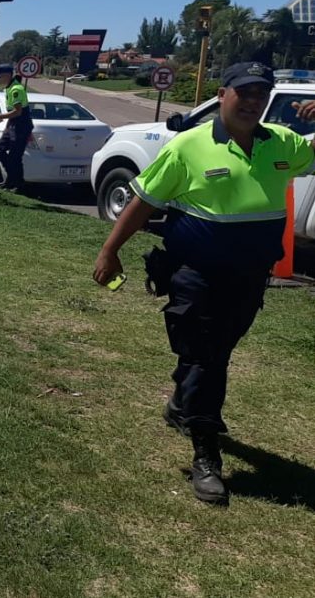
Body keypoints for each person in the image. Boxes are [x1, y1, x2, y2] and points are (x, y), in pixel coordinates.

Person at [93, 61, 315, 505]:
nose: (253, 101)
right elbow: (144, 201)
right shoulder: (188, 146)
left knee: (215, 352)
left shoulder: (283, 143)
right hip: (196, 275)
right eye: (244, 92)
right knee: (207, 360)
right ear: (222, 94)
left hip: (250, 277)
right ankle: (206, 454)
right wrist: (109, 250)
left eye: (261, 94)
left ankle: (182, 403)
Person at [0, 64, 33, 191]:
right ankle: (11, 179)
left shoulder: (16, 89)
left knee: (15, 157)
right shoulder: (9, 88)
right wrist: (2, 119)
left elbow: (18, 111)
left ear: (7, 75)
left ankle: (18, 184)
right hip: (13, 124)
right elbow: (12, 112)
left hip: (21, 126)